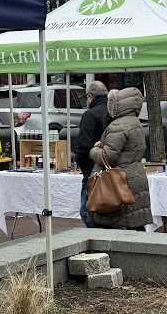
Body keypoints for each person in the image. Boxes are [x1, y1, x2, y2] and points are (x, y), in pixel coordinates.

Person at [88, 87, 152, 231]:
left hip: (118, 181)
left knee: (116, 226)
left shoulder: (118, 125)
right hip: (134, 177)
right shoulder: (134, 122)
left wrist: (95, 150)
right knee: (134, 226)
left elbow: (108, 157)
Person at [74, 80, 109, 228]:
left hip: (93, 171)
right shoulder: (114, 112)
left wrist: (84, 168)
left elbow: (82, 147)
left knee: (86, 211)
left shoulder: (90, 115)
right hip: (113, 169)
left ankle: (101, 242)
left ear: (90, 96)